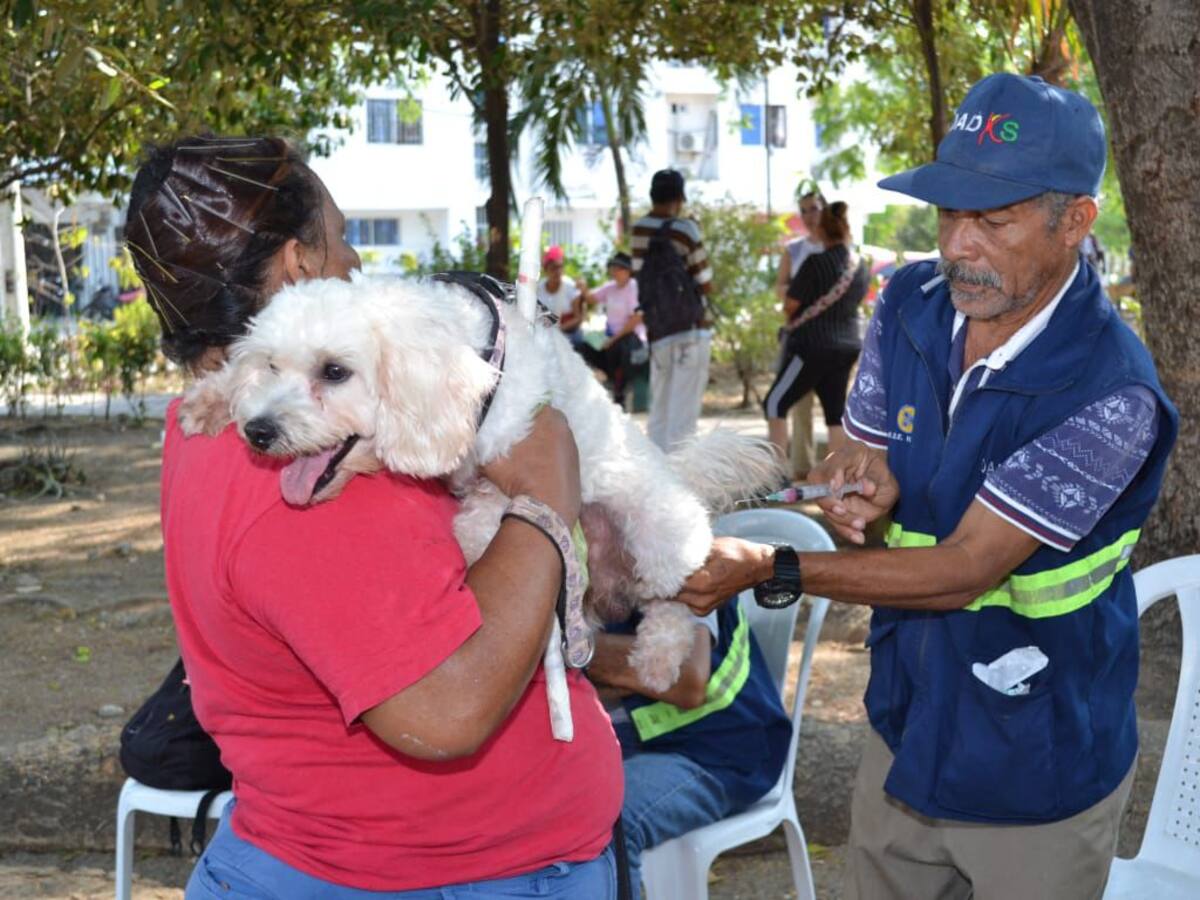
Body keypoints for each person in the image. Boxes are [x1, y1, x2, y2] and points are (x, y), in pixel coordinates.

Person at [677, 74, 1178, 899]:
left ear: (1076, 222)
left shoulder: (1110, 390)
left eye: (993, 219)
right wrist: (858, 490)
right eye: (949, 212)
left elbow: (967, 568)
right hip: (907, 721)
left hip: (1039, 759)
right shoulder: (910, 302)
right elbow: (860, 456)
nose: (957, 246)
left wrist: (773, 568)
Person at [125, 135, 624, 898]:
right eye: (346, 239)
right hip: (422, 875)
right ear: (298, 265)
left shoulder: (209, 425)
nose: (357, 265)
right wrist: (545, 500)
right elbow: (445, 713)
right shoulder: (307, 468)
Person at [586, 598, 791, 894]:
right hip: (622, 744)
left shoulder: (680, 560)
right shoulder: (551, 559)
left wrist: (570, 648)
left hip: (718, 751)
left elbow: (684, 677)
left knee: (607, 819)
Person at [764, 201, 867, 460]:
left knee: (775, 403)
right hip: (847, 345)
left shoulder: (814, 262)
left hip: (811, 345)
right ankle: (837, 481)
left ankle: (777, 476)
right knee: (835, 413)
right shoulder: (860, 265)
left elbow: (790, 305)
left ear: (821, 231)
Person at [631, 169, 714, 452]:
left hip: (658, 331)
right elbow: (706, 283)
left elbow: (638, 278)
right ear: (679, 197)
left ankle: (655, 474)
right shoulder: (685, 229)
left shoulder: (638, 230)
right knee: (684, 414)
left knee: (660, 411)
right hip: (691, 330)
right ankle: (680, 480)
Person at [774, 188, 826, 478]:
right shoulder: (793, 250)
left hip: (835, 340)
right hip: (802, 338)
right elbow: (781, 288)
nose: (809, 215)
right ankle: (801, 468)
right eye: (804, 210)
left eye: (814, 208)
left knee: (839, 411)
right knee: (800, 406)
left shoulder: (841, 246)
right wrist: (801, 294)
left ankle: (840, 470)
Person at [578, 252, 647, 408]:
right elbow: (591, 299)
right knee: (582, 347)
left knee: (619, 348)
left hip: (631, 338)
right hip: (610, 338)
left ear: (627, 271)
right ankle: (611, 382)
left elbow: (636, 319)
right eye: (613, 268)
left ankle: (620, 392)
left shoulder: (633, 287)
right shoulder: (610, 288)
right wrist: (583, 288)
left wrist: (613, 339)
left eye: (618, 268)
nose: (614, 271)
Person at [537, 244, 586, 347]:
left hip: (569, 332)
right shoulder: (539, 288)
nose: (558, 272)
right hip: (547, 331)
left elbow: (579, 317)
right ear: (546, 270)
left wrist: (560, 329)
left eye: (560, 267)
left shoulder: (570, 287)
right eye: (553, 268)